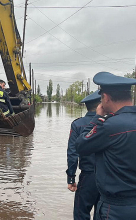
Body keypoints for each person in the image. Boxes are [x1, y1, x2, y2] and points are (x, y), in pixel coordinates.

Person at [76, 71, 136, 220]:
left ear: (106, 98)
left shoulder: (109, 126)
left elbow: (81, 145)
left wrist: (97, 118)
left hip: (116, 208)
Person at [66, 91, 101, 220]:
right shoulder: (110, 122)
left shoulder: (78, 124)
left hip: (88, 176)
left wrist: (71, 177)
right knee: (103, 213)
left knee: (81, 213)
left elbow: (72, 153)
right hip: (109, 176)